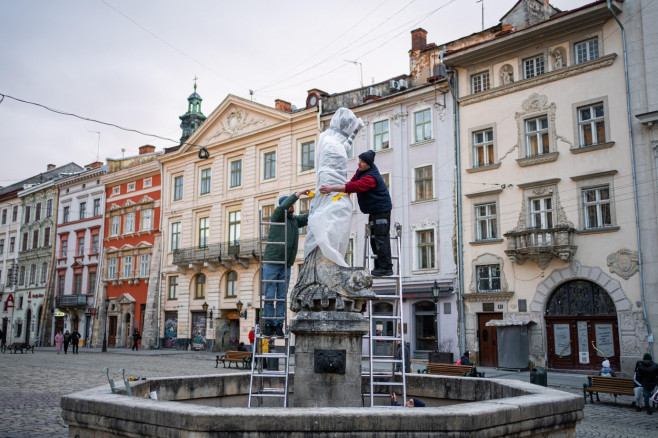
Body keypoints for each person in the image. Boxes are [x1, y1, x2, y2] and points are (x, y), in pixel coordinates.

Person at [305, 108, 364, 268]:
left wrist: (356, 130)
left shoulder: (329, 140)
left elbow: (344, 146)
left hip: (332, 189)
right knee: (340, 211)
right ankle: (330, 253)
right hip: (331, 190)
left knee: (341, 211)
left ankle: (331, 252)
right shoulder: (332, 145)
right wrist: (330, 189)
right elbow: (326, 170)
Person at [320, 149, 393, 276]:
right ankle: (379, 266)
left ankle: (386, 267)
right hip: (375, 211)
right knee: (374, 239)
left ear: (369, 164)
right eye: (359, 160)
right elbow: (352, 183)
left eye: (362, 162)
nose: (359, 163)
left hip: (381, 210)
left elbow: (354, 187)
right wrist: (345, 190)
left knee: (381, 239)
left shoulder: (371, 177)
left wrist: (332, 188)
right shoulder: (361, 171)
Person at [262, 189, 310, 337]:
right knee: (270, 295)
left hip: (286, 264)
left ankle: (278, 326)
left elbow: (309, 216)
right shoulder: (277, 216)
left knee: (282, 297)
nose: (293, 207)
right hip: (272, 261)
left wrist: (322, 200)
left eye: (293, 205)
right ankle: (269, 325)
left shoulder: (294, 220)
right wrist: (298, 194)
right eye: (291, 205)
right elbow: (284, 206)